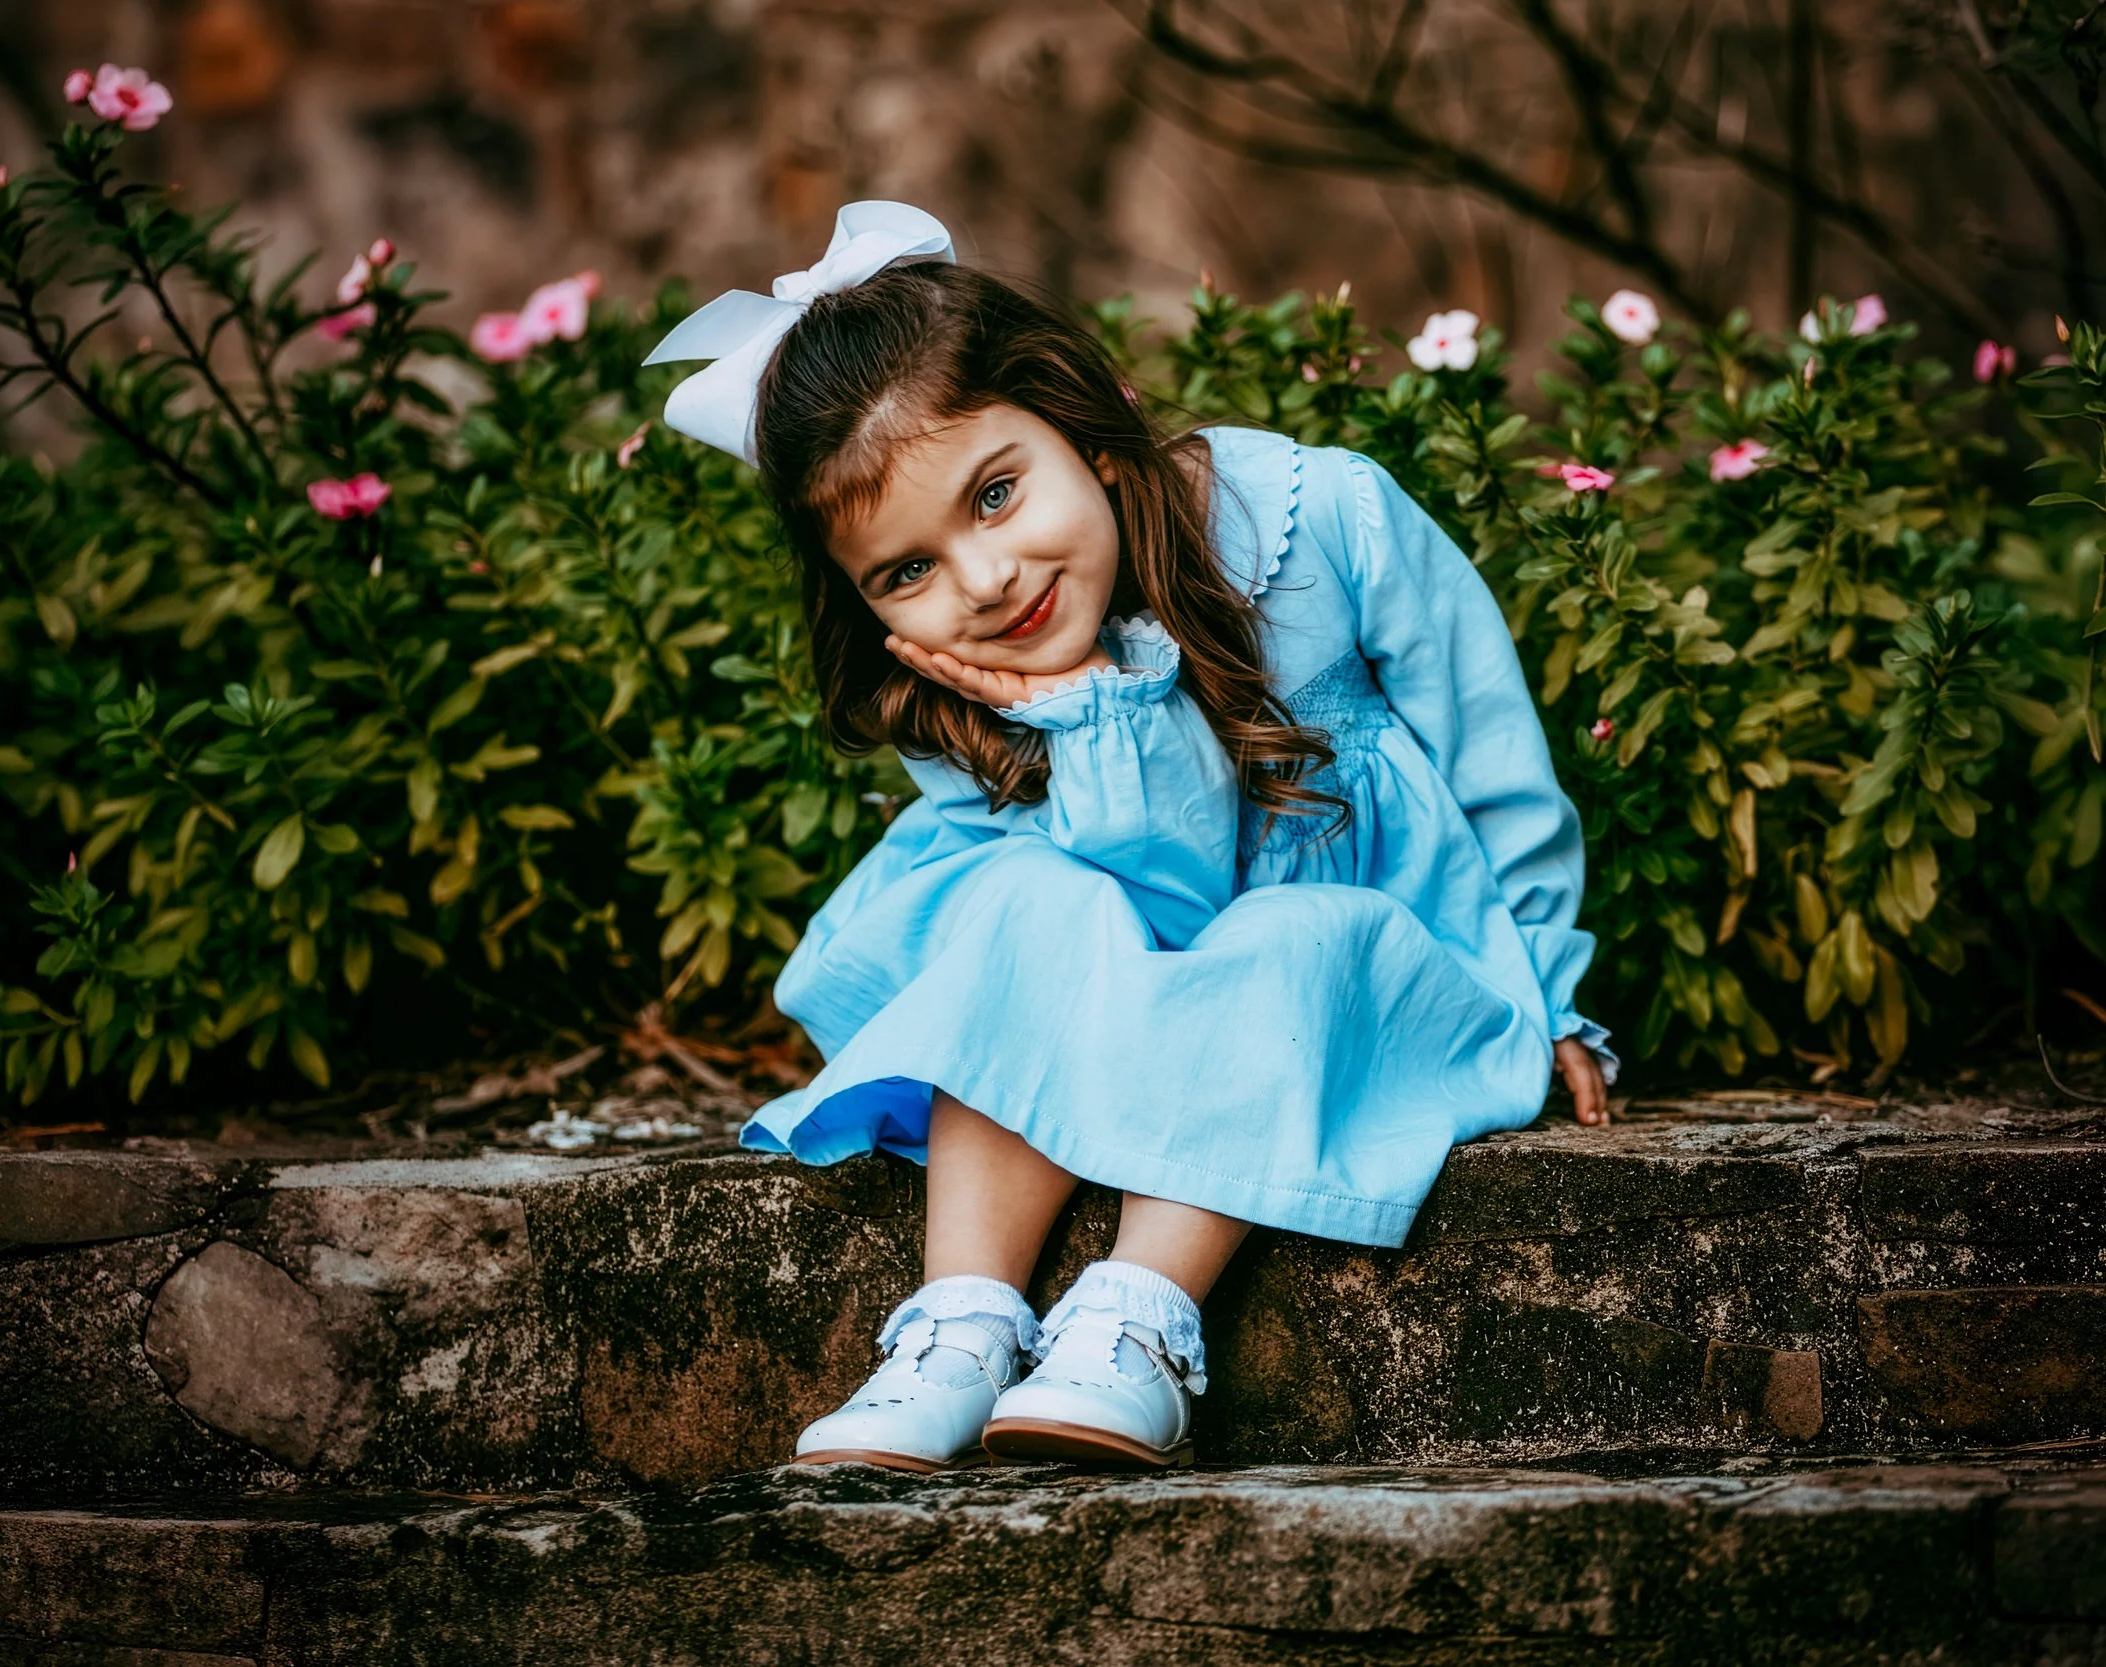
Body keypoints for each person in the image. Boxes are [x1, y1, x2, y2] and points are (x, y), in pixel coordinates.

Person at [644, 202, 1614, 1474]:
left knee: (1288, 927)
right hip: (1132, 961)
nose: (982, 582)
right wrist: (1084, 720)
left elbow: (1496, 761)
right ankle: (959, 1327)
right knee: (1022, 901)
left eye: (996, 493)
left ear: (1085, 416)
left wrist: (1547, 990)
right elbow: (1148, 899)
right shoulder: (958, 676)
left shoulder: (1322, 520)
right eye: (904, 569)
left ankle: (1137, 1323)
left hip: (1353, 975)